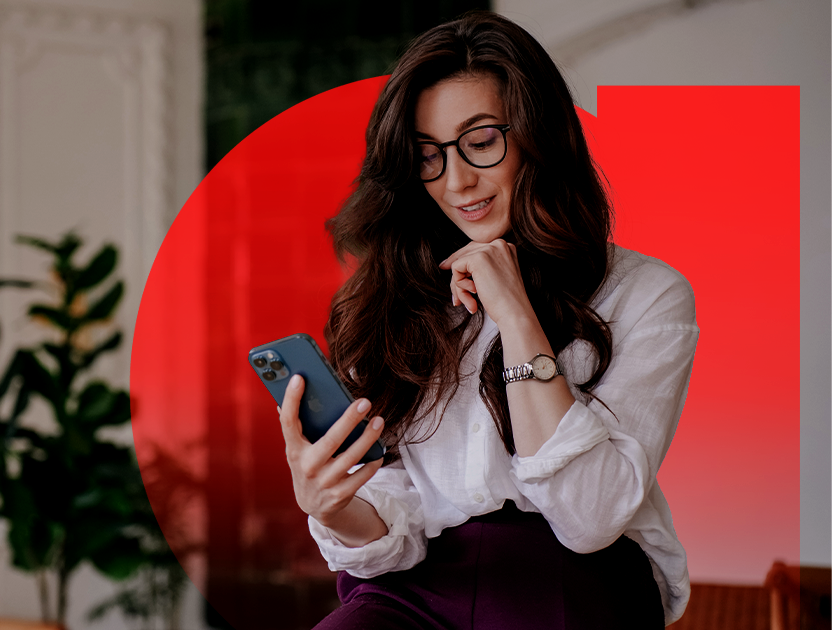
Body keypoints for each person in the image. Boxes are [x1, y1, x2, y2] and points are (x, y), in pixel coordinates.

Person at [276, 11, 698, 630]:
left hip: (570, 583)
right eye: (427, 156)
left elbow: (591, 518)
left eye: (480, 143)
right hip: (412, 591)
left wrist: (517, 314)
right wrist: (332, 506)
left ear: (540, 136)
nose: (456, 180)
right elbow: (394, 520)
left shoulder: (646, 294)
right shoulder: (386, 300)